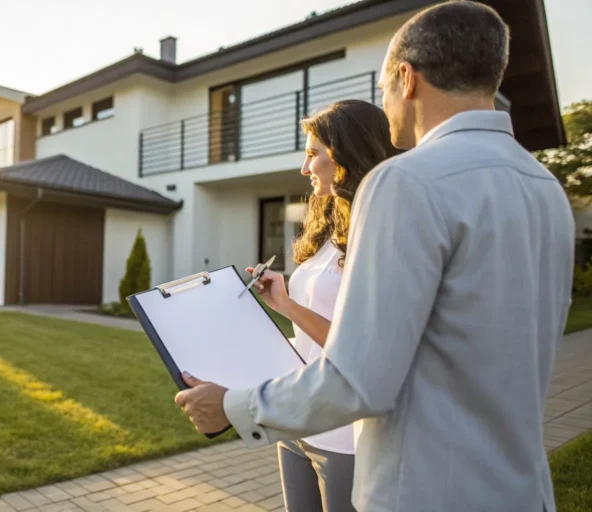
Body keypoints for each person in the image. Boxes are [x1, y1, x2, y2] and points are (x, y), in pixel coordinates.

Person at [174, 2, 574, 511]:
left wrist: (232, 405)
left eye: (383, 88)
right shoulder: (546, 191)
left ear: (406, 78)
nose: (384, 106)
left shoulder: (404, 181)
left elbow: (357, 378)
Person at [248, 100, 400, 512]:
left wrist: (292, 309)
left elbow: (358, 347)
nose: (305, 168)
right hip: (301, 416)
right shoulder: (330, 230)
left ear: (345, 154)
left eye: (312, 154)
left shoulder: (382, 233)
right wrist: (280, 299)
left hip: (345, 432)